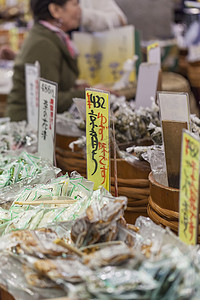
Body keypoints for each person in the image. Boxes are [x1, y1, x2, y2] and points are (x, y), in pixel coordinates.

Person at [6, 0, 85, 121]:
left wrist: (76, 88)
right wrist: (88, 94)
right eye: (75, 4)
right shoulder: (43, 44)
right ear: (55, 10)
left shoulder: (51, 36)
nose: (80, 9)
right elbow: (47, 99)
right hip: (27, 127)